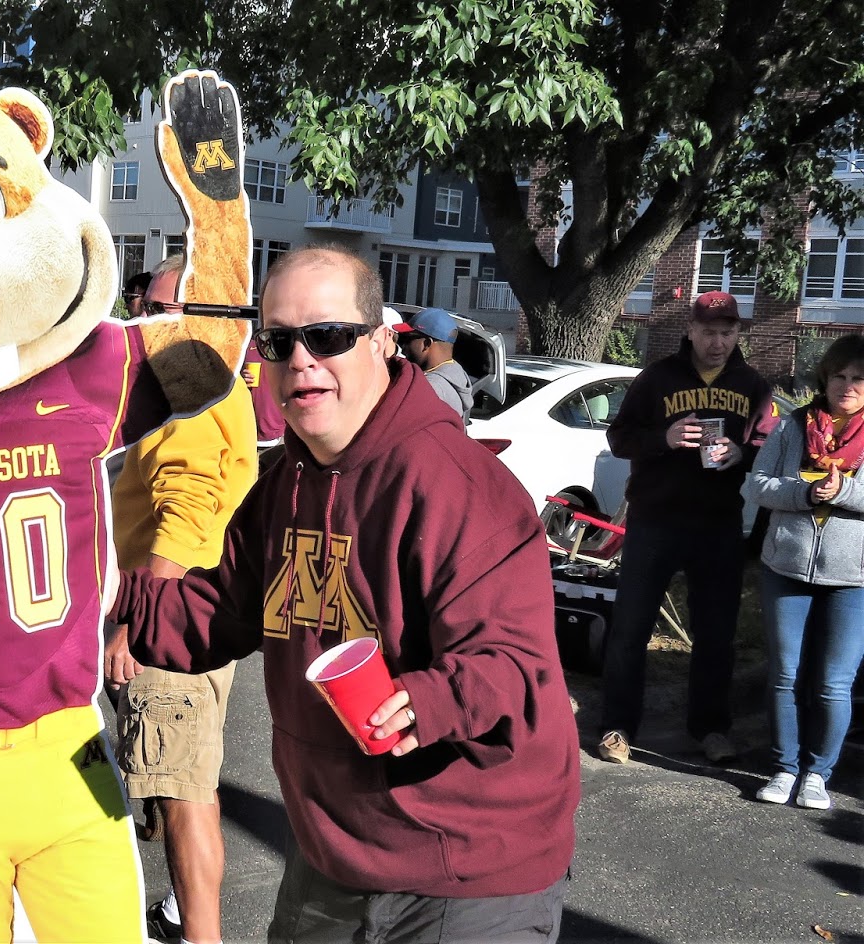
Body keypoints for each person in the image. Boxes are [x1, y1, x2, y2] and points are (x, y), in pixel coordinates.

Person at [111, 246, 579, 944]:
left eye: (326, 336)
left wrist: (430, 699)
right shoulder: (284, 487)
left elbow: (516, 664)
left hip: (471, 864)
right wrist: (93, 598)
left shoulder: (455, 483)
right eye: (278, 340)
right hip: (333, 851)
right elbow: (215, 615)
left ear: (383, 342)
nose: (301, 359)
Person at [104, 254, 258, 944]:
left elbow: (188, 507)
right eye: (144, 304)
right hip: (192, 611)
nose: (145, 319)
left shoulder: (189, 378)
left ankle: (201, 934)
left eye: (159, 308)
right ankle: (183, 918)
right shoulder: (207, 377)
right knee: (183, 781)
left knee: (184, 790)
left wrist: (134, 626)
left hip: (168, 620)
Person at [598, 290, 776, 766]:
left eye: (727, 332)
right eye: (708, 332)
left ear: (738, 333)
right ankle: (617, 725)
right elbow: (618, 438)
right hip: (656, 520)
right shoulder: (657, 378)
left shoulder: (752, 384)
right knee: (631, 629)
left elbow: (768, 447)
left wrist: (743, 454)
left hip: (717, 524)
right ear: (690, 331)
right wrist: (664, 438)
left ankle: (712, 728)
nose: (717, 342)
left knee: (716, 634)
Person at [742, 333, 864, 812]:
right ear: (825, 379)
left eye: (858, 378)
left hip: (852, 578)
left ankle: (818, 774)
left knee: (835, 681)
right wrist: (802, 493)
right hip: (785, 568)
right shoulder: (794, 426)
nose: (848, 386)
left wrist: (843, 493)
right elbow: (757, 484)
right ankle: (784, 767)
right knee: (785, 675)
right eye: (840, 376)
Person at [393, 307, 471, 418]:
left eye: (407, 339)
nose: (403, 347)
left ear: (426, 344)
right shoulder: (456, 376)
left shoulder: (431, 388)